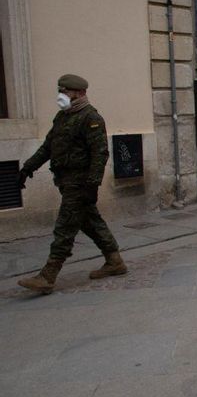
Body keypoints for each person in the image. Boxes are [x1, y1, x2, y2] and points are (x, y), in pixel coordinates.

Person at [17, 74, 127, 294]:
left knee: (65, 227)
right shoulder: (62, 117)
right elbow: (48, 147)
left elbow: (100, 154)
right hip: (66, 181)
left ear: (80, 93)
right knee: (90, 223)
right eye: (60, 92)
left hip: (80, 183)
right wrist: (28, 167)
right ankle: (114, 261)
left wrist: (92, 185)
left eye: (65, 92)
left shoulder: (90, 117)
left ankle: (48, 276)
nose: (61, 96)